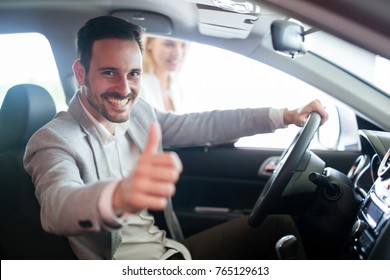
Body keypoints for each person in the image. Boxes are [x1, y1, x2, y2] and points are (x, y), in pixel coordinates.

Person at [24, 16, 328, 260]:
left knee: (279, 227)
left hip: (171, 250)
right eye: (108, 72)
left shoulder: (138, 111)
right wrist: (117, 197)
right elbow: (57, 206)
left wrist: (284, 115)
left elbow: (202, 125)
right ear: (81, 73)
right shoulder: (54, 140)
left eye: (133, 73)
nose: (124, 88)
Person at [141, 36, 189, 113]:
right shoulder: (140, 85)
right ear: (149, 43)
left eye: (183, 45)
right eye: (169, 44)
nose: (178, 53)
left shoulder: (177, 84)